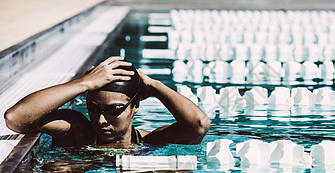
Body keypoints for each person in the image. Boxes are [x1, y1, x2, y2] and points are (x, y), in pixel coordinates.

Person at [4, 56, 210, 147]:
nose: (101, 120)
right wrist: (82, 84)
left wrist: (153, 85)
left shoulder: (150, 142)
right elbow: (15, 118)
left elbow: (199, 125)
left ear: (135, 107)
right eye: (93, 109)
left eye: (114, 110)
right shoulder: (77, 132)